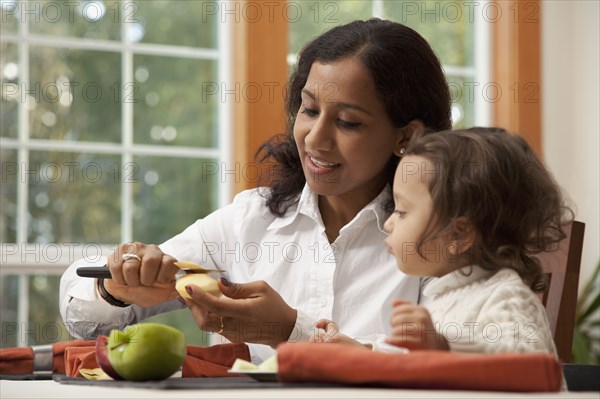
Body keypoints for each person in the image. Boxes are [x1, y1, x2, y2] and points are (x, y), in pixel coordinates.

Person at [59, 18, 452, 363]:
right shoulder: (250, 221)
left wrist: (288, 331)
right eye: (310, 110)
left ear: (407, 135)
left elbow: (456, 360)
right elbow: (80, 313)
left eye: (348, 122)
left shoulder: (446, 235)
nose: (315, 139)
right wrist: (117, 290)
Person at [312, 127, 572, 356]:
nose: (389, 223)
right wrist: (359, 351)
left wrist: (445, 347)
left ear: (459, 236)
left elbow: (526, 363)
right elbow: (407, 362)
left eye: (402, 211)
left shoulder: (505, 296)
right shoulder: (441, 300)